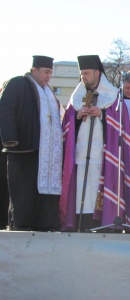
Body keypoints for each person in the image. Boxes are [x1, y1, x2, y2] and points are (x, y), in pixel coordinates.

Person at [60, 55, 130, 232]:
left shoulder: (113, 97)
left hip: (104, 157)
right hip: (80, 155)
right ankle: (77, 221)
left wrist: (102, 115)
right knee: (80, 188)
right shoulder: (77, 97)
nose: (83, 77)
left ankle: (100, 223)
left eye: (86, 73)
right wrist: (77, 116)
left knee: (97, 189)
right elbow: (67, 124)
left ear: (97, 73)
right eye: (81, 74)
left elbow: (121, 125)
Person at [0, 55, 63, 231]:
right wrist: (10, 138)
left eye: (50, 72)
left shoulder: (49, 92)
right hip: (24, 150)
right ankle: (22, 226)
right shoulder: (17, 84)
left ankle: (45, 223)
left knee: (43, 193)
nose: (48, 76)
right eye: (46, 72)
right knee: (24, 193)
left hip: (47, 155)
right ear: (34, 70)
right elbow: (5, 109)